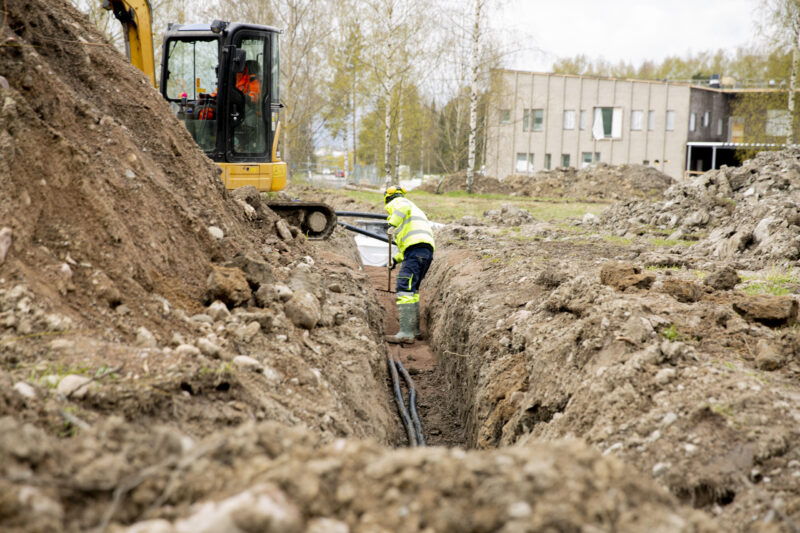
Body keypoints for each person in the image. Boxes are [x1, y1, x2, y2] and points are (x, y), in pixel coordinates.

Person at [384, 186, 435, 344]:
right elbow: (410, 247)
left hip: (416, 252)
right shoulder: (415, 211)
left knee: (404, 287)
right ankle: (415, 330)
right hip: (423, 252)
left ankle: (406, 333)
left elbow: (402, 206)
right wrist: (396, 260)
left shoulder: (399, 202)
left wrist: (391, 223)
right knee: (412, 291)